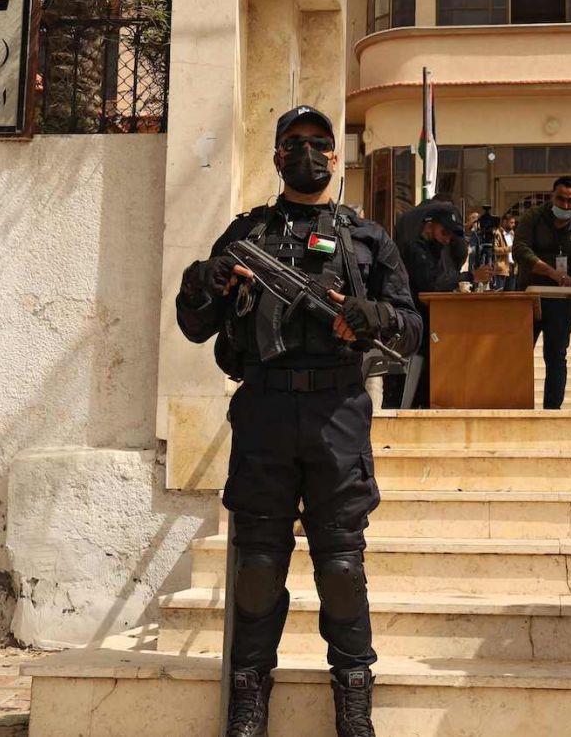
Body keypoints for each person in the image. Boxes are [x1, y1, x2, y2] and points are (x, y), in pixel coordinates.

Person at [174, 104, 423, 737]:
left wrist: (376, 319)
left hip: (337, 412)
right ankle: (248, 704)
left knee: (341, 567)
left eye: (319, 143)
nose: (308, 153)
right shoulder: (247, 235)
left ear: (336, 157)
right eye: (294, 143)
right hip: (264, 412)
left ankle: (354, 703)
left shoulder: (367, 239)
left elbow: (413, 328)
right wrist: (207, 279)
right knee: (257, 567)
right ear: (277, 156)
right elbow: (195, 323)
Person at [513, 176, 571, 409]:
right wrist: (553, 274)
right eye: (561, 199)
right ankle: (515, 406)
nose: (565, 206)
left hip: (562, 302)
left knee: (556, 357)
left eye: (570, 201)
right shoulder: (533, 217)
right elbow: (520, 251)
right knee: (518, 355)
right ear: (552, 196)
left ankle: (552, 411)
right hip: (529, 297)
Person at [395, 202, 496, 408]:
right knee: (414, 383)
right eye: (444, 232)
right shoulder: (415, 249)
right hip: (416, 323)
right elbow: (431, 283)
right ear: (429, 226)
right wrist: (470, 276)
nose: (447, 239)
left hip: (433, 322)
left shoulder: (439, 251)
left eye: (451, 236)